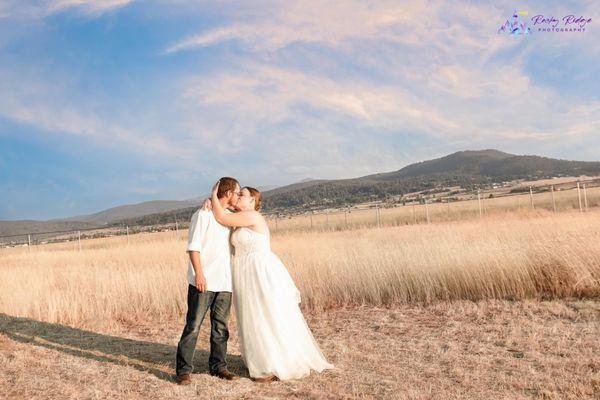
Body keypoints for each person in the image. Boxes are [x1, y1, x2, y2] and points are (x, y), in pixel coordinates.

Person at [209, 180, 334, 382]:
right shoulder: (241, 217)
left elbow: (221, 216)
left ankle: (273, 362)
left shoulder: (253, 216)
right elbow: (225, 214)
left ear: (253, 201)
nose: (238, 196)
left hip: (259, 271)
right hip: (245, 271)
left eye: (243, 194)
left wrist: (213, 194)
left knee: (264, 312)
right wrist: (213, 202)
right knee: (251, 314)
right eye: (238, 194)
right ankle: (261, 360)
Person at [175, 177, 241, 385]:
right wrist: (200, 275)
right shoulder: (202, 214)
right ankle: (184, 370)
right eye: (237, 192)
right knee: (193, 325)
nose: (238, 196)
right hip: (203, 281)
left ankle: (219, 367)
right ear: (228, 193)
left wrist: (211, 198)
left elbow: (249, 212)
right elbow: (193, 248)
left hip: (225, 282)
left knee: (221, 327)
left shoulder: (229, 216)